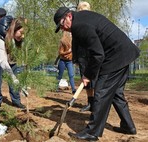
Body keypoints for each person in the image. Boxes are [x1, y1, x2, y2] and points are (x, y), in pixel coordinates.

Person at [53, 7, 140, 141]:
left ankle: (92, 132)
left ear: (69, 16)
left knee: (101, 92)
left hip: (116, 56)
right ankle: (128, 125)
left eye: (62, 24)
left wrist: (87, 75)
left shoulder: (80, 25)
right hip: (124, 52)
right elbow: (81, 43)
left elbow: (98, 55)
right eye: (60, 27)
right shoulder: (80, 19)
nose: (63, 28)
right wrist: (78, 62)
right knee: (116, 93)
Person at [76, 1, 94, 112]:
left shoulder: (93, 22)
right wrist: (76, 58)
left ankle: (96, 103)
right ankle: (90, 102)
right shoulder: (77, 24)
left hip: (92, 54)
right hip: (82, 55)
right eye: (80, 11)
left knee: (95, 80)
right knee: (86, 81)